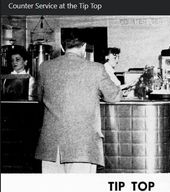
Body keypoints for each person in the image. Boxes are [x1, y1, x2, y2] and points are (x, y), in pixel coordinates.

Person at [35, 37, 122, 173]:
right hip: (82, 146)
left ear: (62, 48)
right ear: (84, 46)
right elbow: (114, 96)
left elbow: (40, 97)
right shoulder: (96, 68)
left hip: (50, 147)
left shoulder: (45, 67)